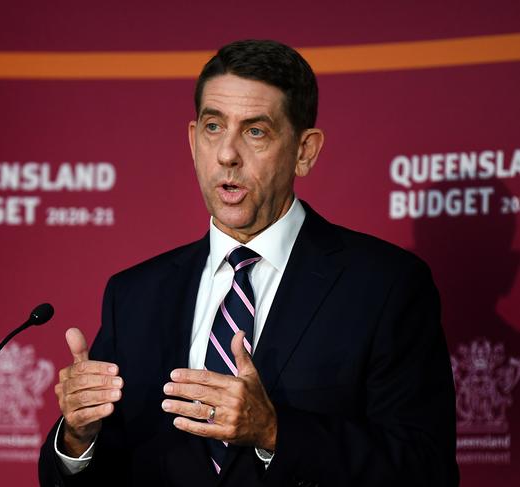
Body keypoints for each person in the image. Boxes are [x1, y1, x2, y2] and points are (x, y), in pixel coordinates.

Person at [38, 39, 459, 487]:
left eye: (255, 131)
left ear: (305, 151)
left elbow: (425, 468)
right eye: (213, 127)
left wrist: (275, 431)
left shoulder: (384, 286)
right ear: (192, 139)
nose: (226, 154)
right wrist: (79, 438)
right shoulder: (135, 295)